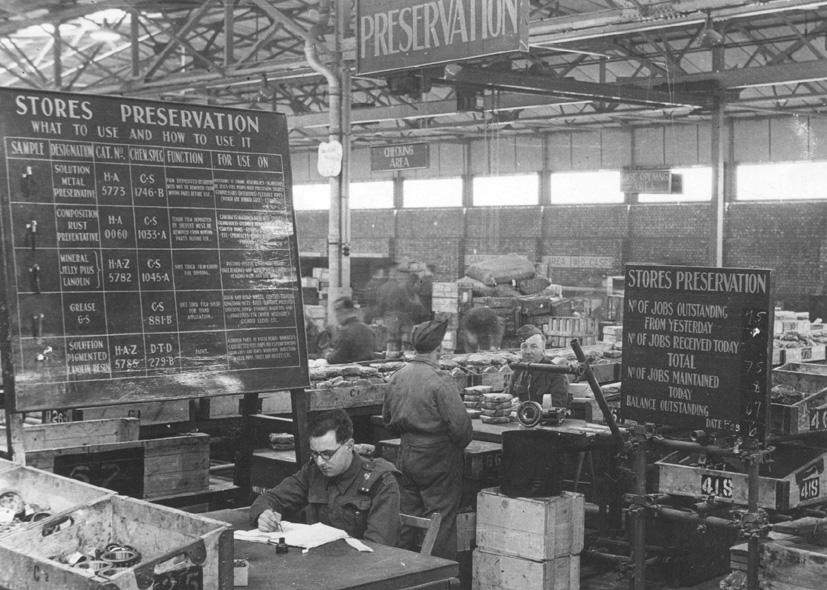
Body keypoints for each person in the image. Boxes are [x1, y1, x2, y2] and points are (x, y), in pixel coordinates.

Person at [382, 319, 473, 560]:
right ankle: (433, 577)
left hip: (406, 457)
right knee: (439, 520)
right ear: (439, 349)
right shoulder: (440, 380)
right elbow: (462, 429)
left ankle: (399, 570)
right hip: (438, 460)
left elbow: (387, 421)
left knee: (407, 520)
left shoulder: (397, 376)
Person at [249, 409, 400, 547]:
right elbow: (271, 498)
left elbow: (378, 548)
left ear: (349, 446)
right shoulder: (314, 472)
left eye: (327, 454)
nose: (320, 462)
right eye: (315, 454)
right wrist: (264, 515)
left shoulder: (380, 482)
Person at [507, 324, 570, 409]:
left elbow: (558, 407)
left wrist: (523, 407)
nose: (528, 352)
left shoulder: (556, 374)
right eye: (524, 347)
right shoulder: (518, 372)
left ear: (543, 350)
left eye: (534, 346)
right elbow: (507, 396)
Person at [325, 296, 375, 365]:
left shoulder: (345, 331)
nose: (336, 314)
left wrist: (327, 355)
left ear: (347, 310)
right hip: (368, 370)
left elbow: (337, 359)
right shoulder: (369, 329)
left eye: (337, 310)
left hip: (350, 371)